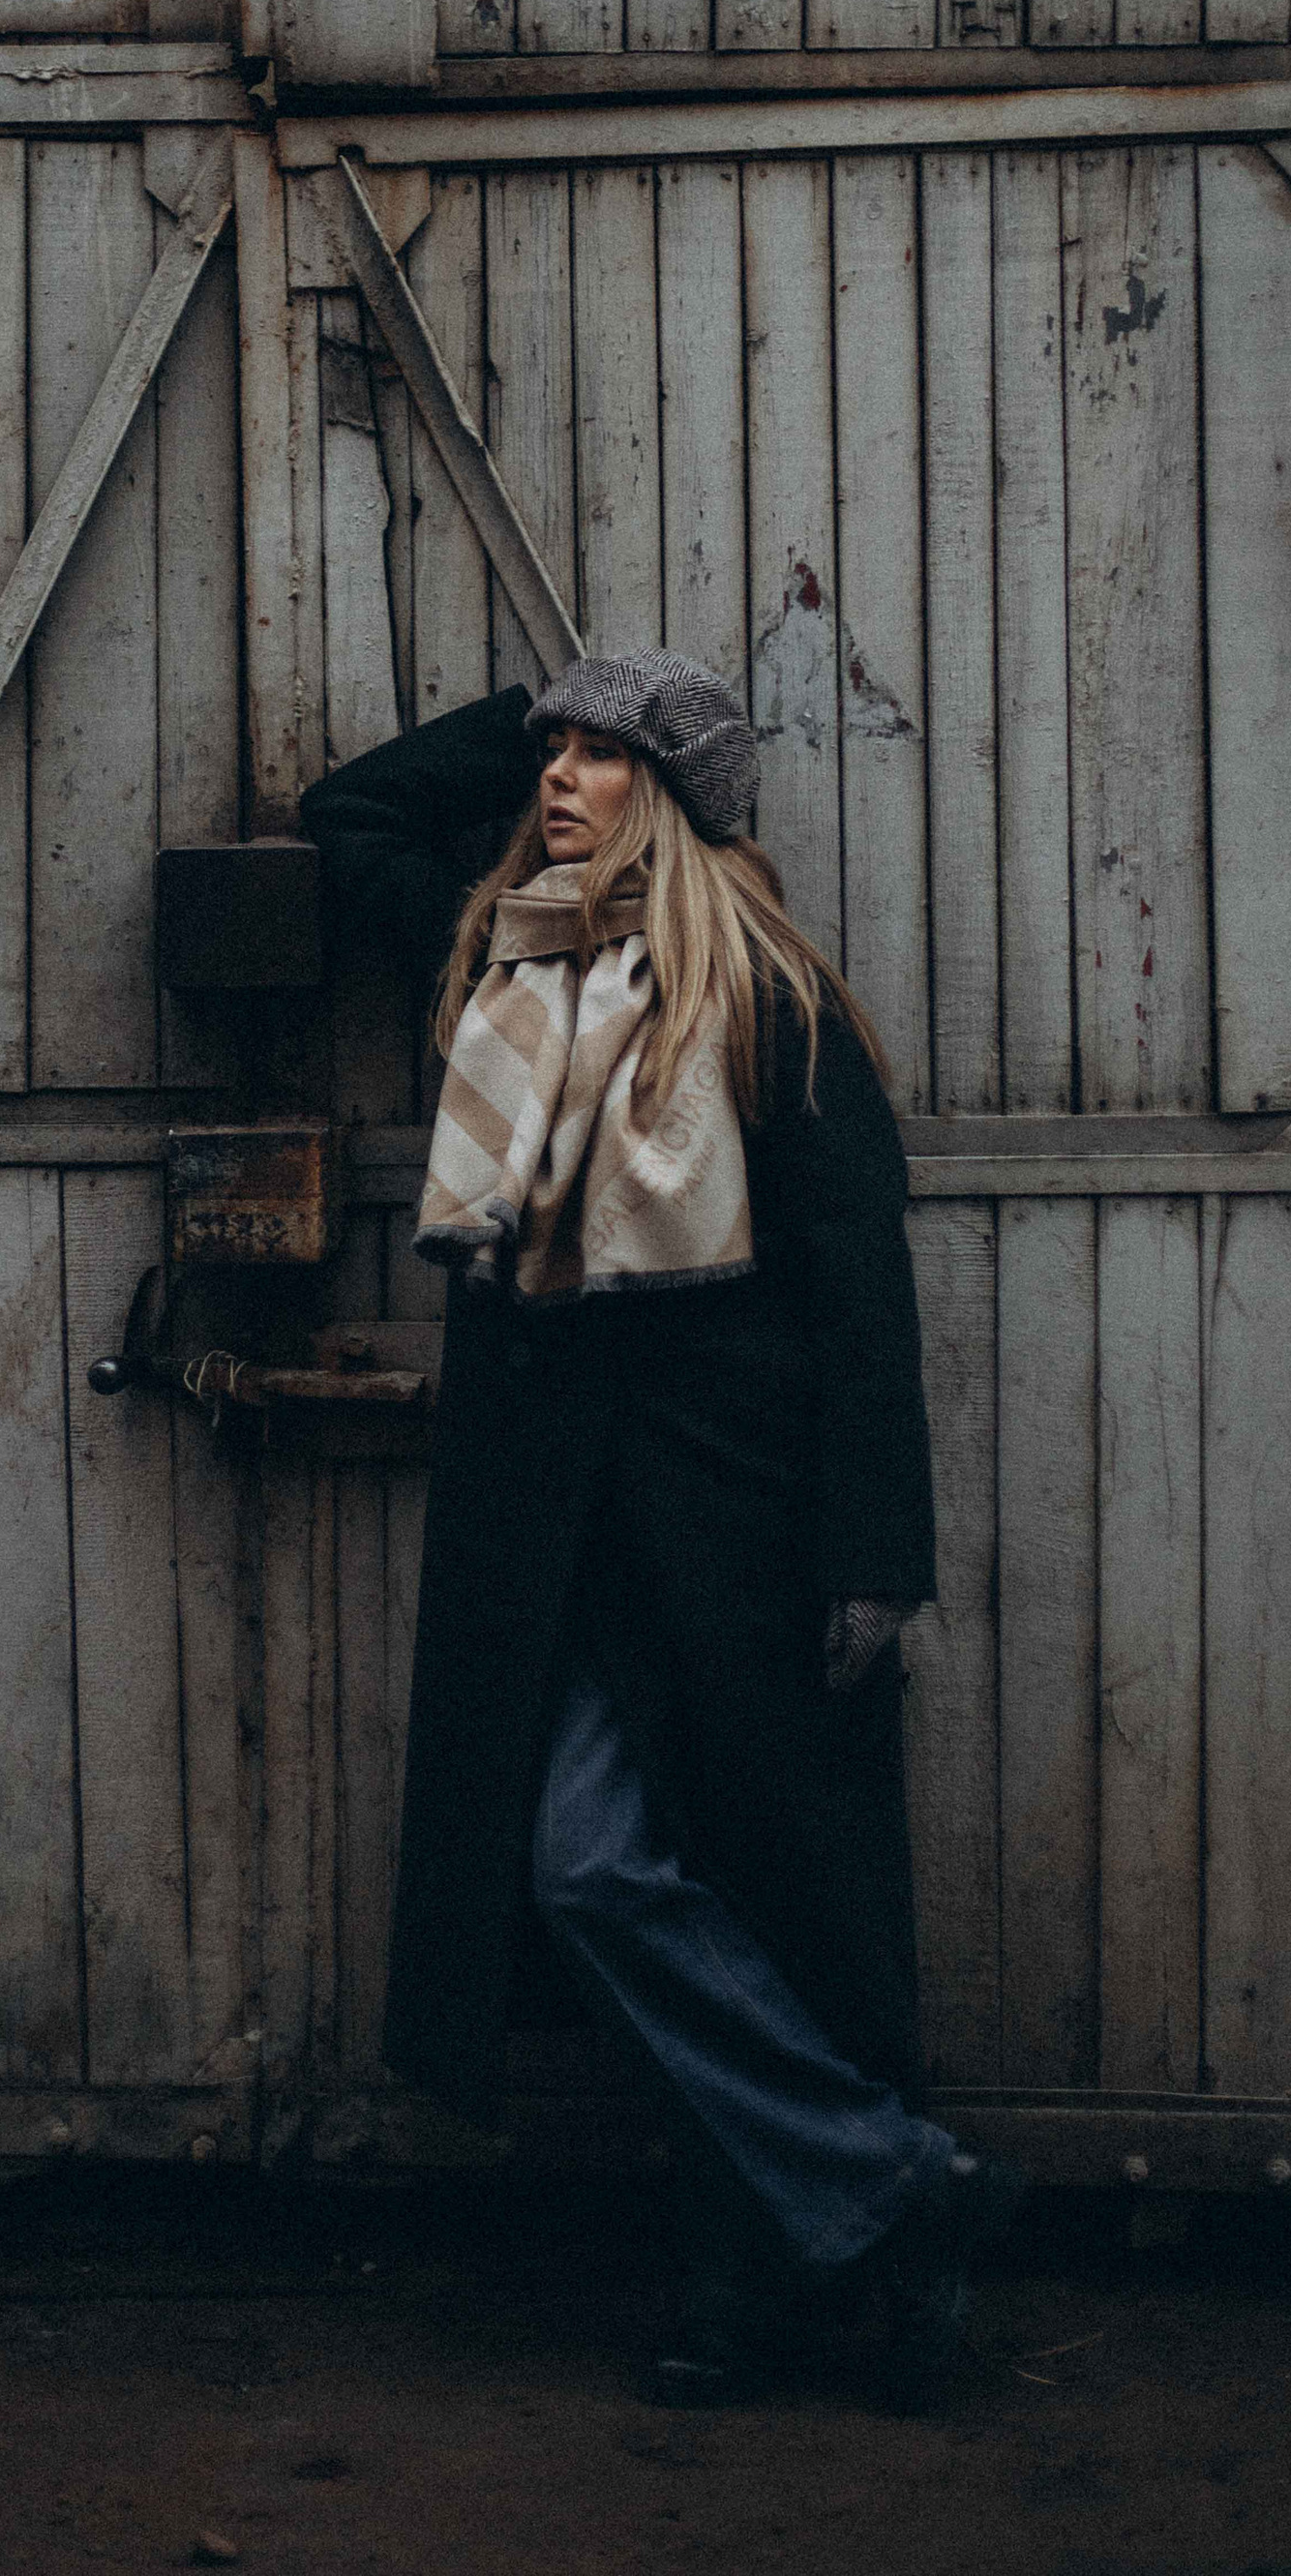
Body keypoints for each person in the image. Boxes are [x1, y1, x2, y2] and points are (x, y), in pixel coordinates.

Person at [301, 654, 1024, 2408]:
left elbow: (862, 1296)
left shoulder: (771, 1001)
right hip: (553, 1553)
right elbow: (350, 816)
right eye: (551, 750)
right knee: (589, 1871)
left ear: (678, 798)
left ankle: (760, 2285)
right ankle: (891, 2187)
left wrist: (875, 1556)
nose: (559, 775)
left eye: (603, 756)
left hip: (743, 1545)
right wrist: (542, 698)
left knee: (783, 1903)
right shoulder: (501, 959)